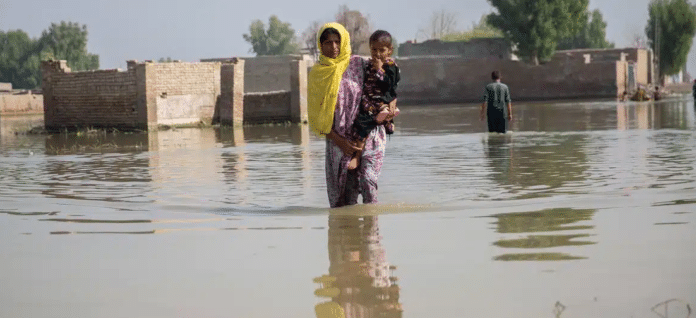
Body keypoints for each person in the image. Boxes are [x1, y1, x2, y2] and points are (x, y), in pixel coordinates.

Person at [307, 22, 397, 208]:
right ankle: (350, 232)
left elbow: (387, 85)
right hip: (338, 140)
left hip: (369, 132)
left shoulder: (360, 64)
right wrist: (340, 142)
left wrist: (389, 111)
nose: (333, 47)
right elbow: (317, 117)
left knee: (368, 181)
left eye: (337, 42)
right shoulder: (318, 74)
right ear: (320, 45)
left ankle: (372, 231)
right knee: (346, 195)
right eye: (328, 43)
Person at [348, 30, 401, 170]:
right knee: (361, 119)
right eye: (374, 49)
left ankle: (357, 156)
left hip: (381, 100)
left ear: (390, 50)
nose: (377, 54)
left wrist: (379, 70)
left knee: (362, 125)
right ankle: (385, 118)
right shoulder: (369, 64)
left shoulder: (391, 66)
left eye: (382, 50)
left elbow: (389, 85)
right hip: (369, 100)